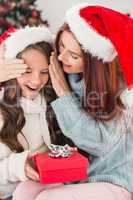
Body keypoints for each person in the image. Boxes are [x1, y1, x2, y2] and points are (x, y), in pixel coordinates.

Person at [33, 4, 133, 200]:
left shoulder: (119, 91)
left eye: (74, 55)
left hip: (115, 179)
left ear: (93, 62)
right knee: (26, 190)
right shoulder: (68, 71)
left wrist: (63, 94)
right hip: (77, 176)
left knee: (49, 198)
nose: (61, 57)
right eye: (61, 45)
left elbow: (99, 143)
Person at [0, 26, 63, 200]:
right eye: (27, 71)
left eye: (44, 72)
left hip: (47, 188)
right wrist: (16, 167)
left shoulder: (49, 101)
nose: (37, 80)